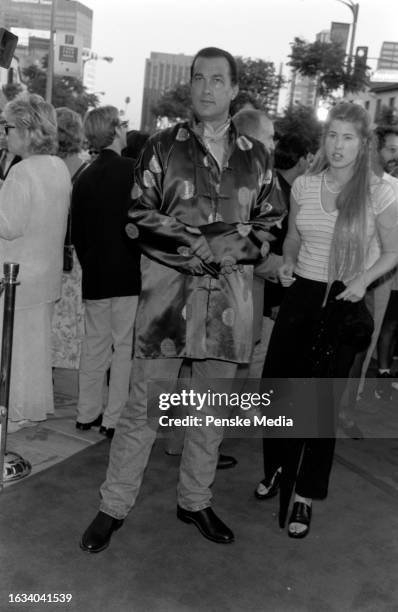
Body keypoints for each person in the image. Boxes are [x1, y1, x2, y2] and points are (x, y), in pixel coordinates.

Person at [80, 46, 285, 553]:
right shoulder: (160, 147)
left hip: (229, 305)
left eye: (218, 79)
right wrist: (193, 248)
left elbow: (268, 226)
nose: (207, 88)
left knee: (209, 413)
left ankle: (194, 500)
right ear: (190, 86)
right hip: (167, 301)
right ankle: (113, 505)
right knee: (142, 411)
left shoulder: (257, 157)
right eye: (199, 79)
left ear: (235, 90)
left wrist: (216, 250)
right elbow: (139, 215)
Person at [258, 102, 398, 539]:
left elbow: (394, 251)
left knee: (320, 406)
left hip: (343, 300)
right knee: (277, 389)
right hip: (300, 294)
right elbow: (295, 238)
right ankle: (279, 466)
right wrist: (288, 263)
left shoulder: (379, 192)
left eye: (348, 137)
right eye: (332, 136)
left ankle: (305, 494)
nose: (338, 146)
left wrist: (362, 280)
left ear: (364, 143)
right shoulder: (304, 185)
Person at [0, 93, 71, 432]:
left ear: (27, 129)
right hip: (44, 276)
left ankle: (11, 414)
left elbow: (9, 226)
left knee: (11, 351)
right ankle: (26, 411)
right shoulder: (57, 167)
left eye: (8, 126)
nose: (4, 133)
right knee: (33, 352)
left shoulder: (22, 172)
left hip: (16, 277)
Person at [71, 106, 141, 439]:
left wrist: (90, 260)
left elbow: (77, 233)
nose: (127, 129)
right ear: (114, 130)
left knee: (95, 345)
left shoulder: (84, 175)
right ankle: (113, 418)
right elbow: (143, 223)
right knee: (123, 347)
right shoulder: (132, 170)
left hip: (95, 273)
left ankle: (86, 412)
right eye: (123, 124)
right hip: (127, 273)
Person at [51, 107, 89, 373]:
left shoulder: (48, 166)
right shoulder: (87, 168)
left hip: (49, 249)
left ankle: (46, 370)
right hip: (76, 253)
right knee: (73, 314)